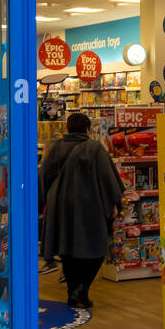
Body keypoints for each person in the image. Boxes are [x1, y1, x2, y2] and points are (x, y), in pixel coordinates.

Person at [40, 112, 124, 308]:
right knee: (97, 248)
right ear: (88, 129)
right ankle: (81, 289)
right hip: (89, 206)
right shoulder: (94, 149)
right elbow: (108, 179)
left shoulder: (55, 148)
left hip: (59, 205)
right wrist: (113, 203)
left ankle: (73, 292)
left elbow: (43, 176)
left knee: (66, 250)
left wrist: (43, 203)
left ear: (67, 128)